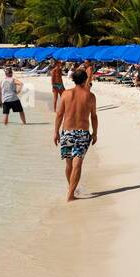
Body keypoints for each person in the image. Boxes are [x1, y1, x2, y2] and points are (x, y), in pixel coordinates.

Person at [54, 68, 98, 201]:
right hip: (82, 134)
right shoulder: (90, 96)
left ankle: (71, 190)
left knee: (69, 165)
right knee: (77, 165)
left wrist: (56, 132)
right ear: (86, 80)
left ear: (73, 80)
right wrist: (95, 133)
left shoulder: (66, 94)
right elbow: (94, 116)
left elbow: (59, 114)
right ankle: (71, 193)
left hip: (67, 132)